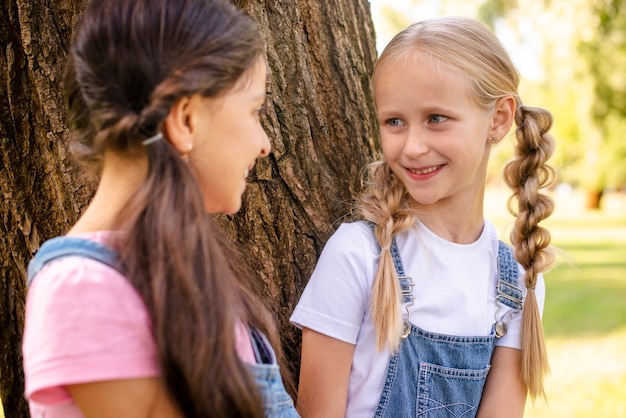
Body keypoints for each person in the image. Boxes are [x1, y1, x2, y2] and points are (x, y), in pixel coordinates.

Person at [21, 0, 299, 417]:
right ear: (185, 120)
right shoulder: (83, 290)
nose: (265, 143)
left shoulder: (181, 264)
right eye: (254, 111)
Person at [291, 16, 555, 418]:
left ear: (498, 119)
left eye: (436, 118)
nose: (412, 147)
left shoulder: (519, 283)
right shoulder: (358, 256)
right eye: (394, 122)